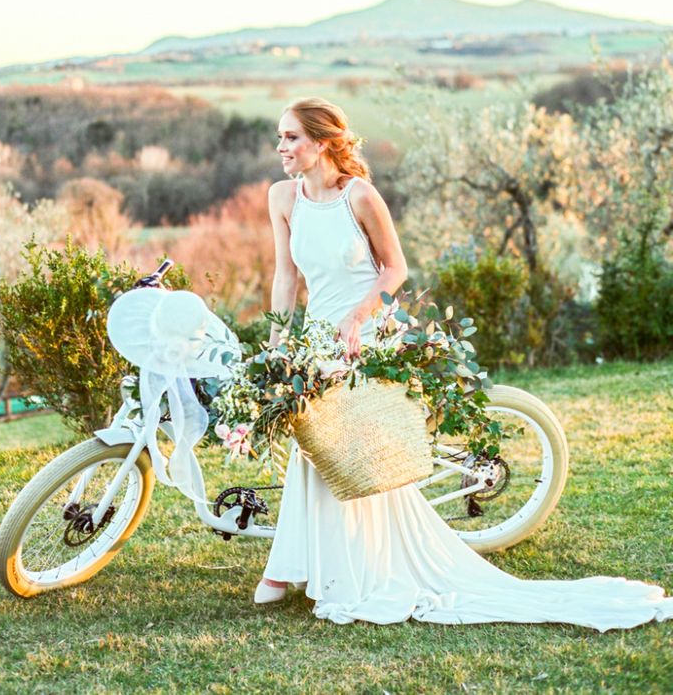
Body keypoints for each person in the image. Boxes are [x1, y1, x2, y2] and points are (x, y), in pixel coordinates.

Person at [253, 96, 673, 630]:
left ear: (322, 142)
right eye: (280, 137)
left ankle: (325, 569)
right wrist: (277, 342)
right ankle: (296, 565)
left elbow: (395, 270)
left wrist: (358, 320)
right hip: (314, 335)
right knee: (313, 442)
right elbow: (285, 278)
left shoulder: (359, 196)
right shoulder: (282, 197)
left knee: (353, 447)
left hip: (366, 332)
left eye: (291, 137)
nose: (281, 147)